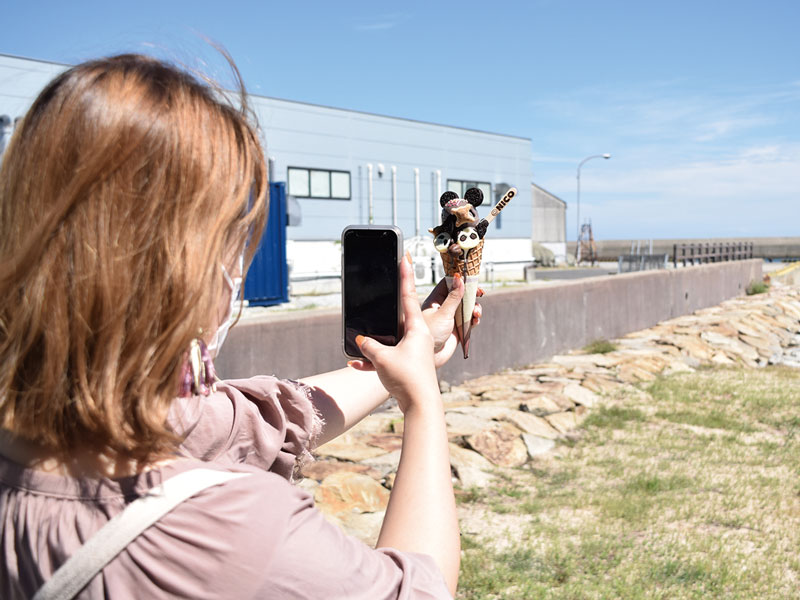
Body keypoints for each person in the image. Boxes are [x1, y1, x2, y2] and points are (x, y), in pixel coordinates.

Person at [0, 52, 482, 599]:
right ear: (175, 265)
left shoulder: (37, 442)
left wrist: (404, 360)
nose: (237, 267)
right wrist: (421, 400)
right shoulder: (230, 528)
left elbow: (255, 420)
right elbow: (420, 588)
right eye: (229, 234)